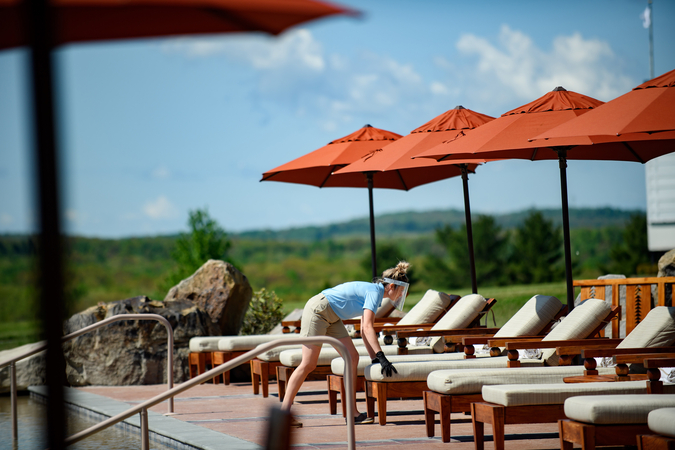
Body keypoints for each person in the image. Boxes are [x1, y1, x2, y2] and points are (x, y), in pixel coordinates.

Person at [281, 261, 411, 427]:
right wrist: (381, 356)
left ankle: (352, 413)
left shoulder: (375, 293)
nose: (402, 296)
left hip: (332, 316)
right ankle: (284, 415)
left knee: (352, 357)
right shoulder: (374, 292)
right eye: (401, 291)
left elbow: (364, 331)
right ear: (392, 286)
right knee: (308, 364)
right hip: (318, 310)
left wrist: (375, 358)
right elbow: (367, 327)